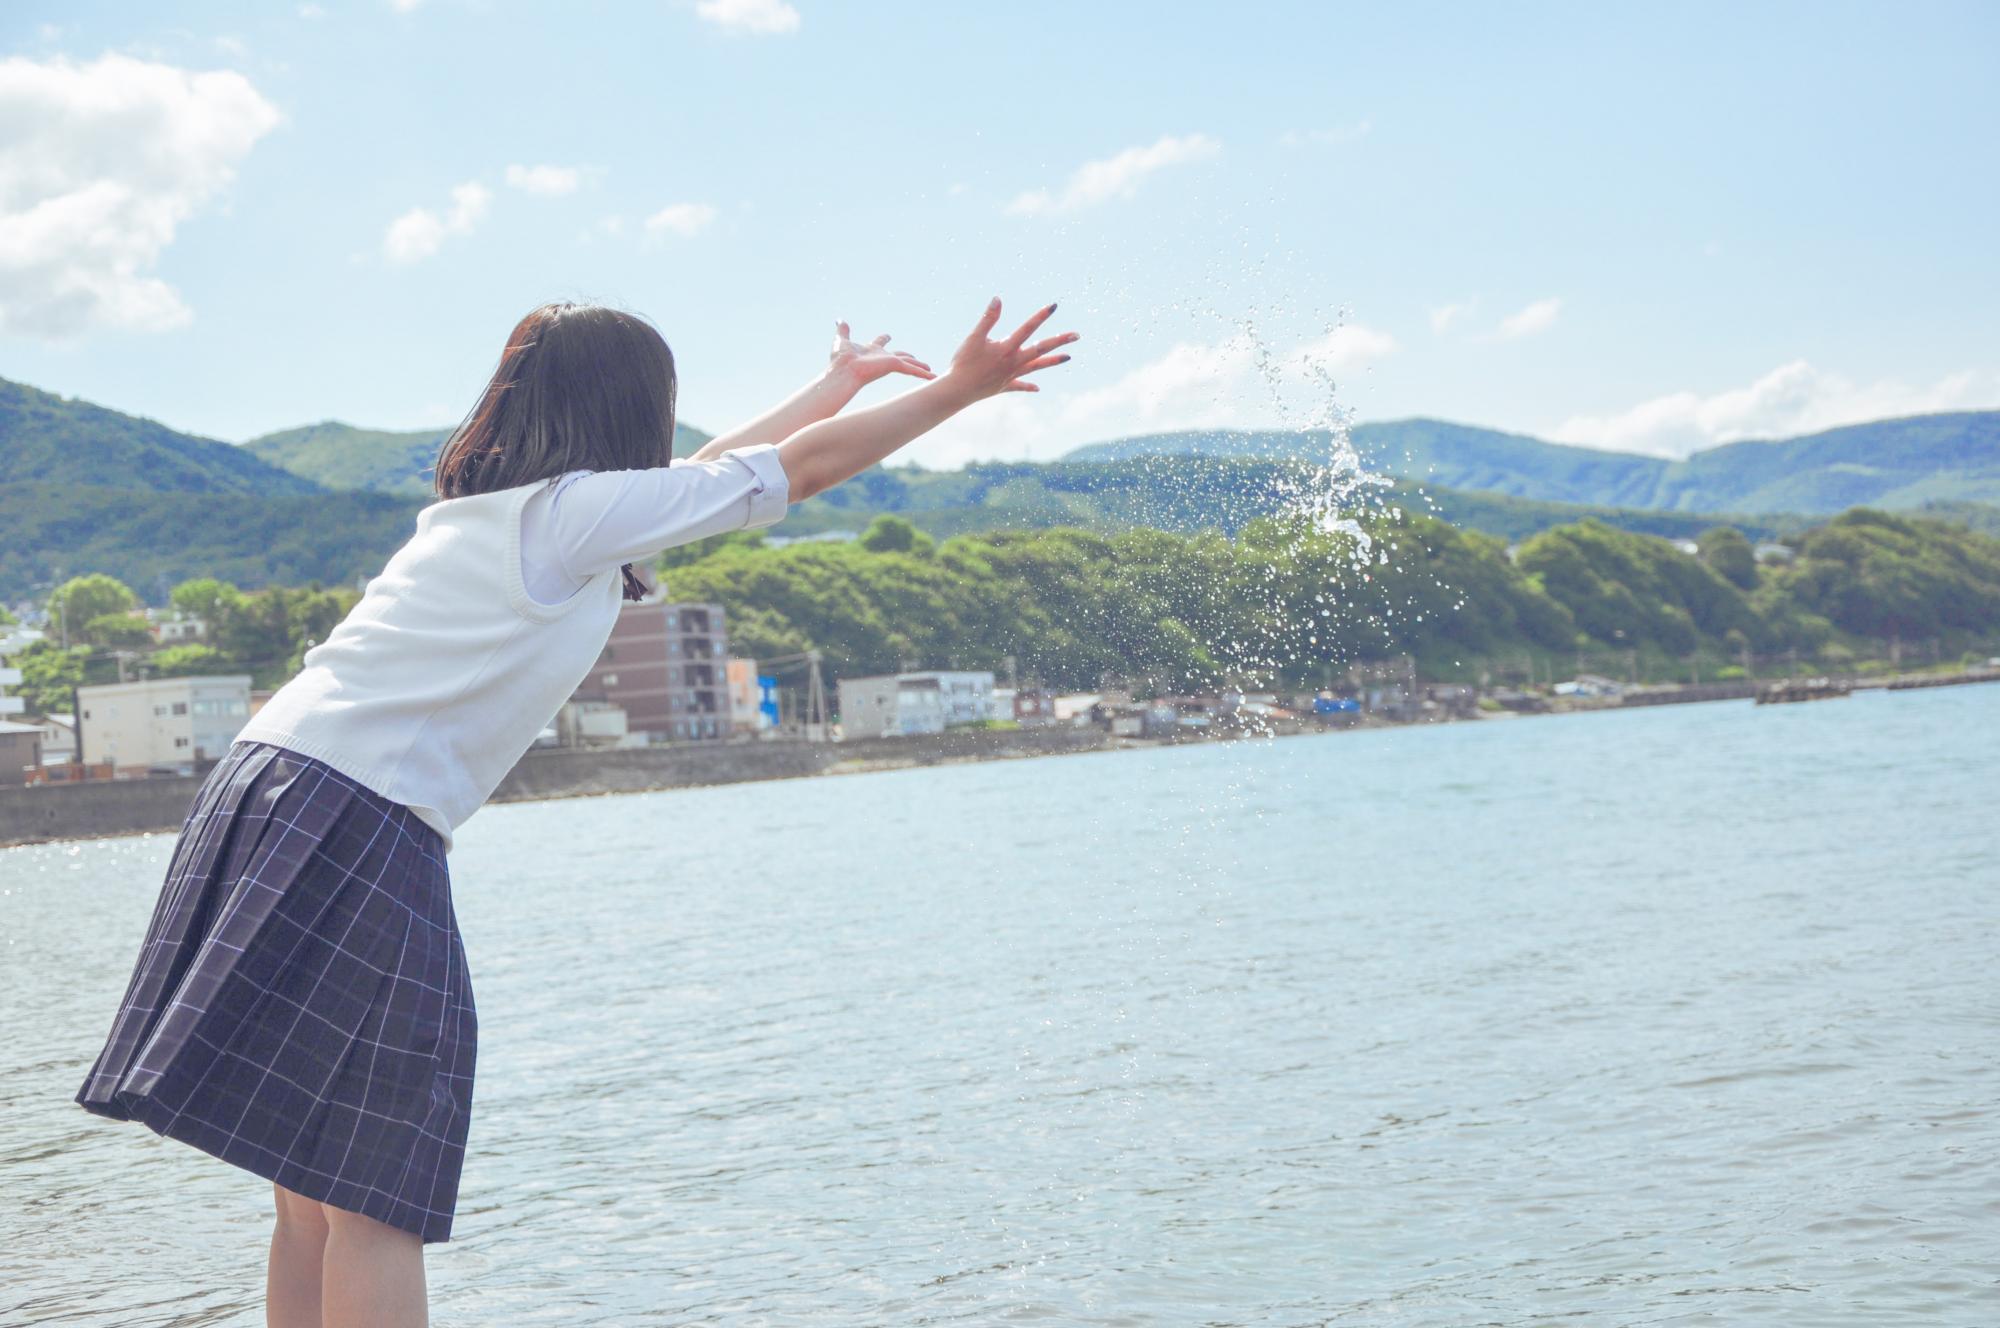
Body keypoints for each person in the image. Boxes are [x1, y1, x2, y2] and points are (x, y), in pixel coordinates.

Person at [73, 296, 1076, 1327]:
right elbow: (796, 470)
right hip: (355, 808)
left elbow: (713, 471)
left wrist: (833, 384)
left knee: (310, 1181)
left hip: (267, 784)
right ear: (635, 409)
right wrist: (959, 389)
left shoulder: (506, 516)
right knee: (378, 1183)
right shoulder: (576, 518)